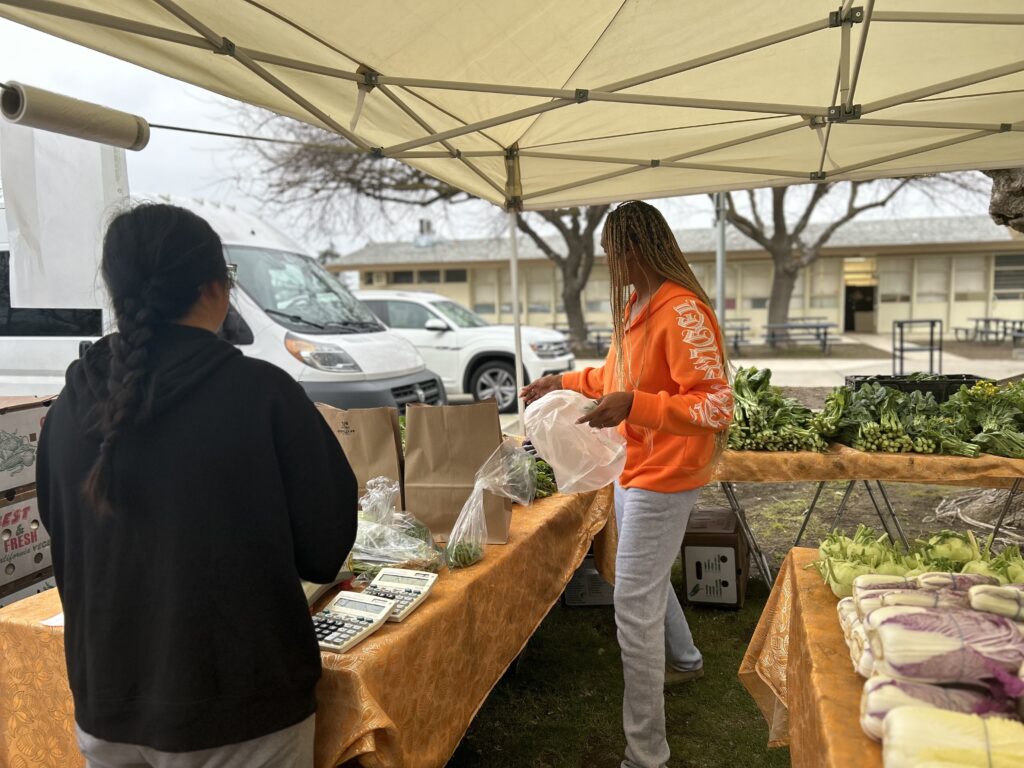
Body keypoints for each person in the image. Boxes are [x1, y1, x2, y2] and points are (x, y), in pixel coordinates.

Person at [37, 203, 358, 768]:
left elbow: (63, 534)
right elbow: (326, 547)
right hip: (239, 708)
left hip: (107, 707)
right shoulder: (263, 395)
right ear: (215, 286)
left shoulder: (69, 407)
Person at [521, 200, 733, 768]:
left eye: (611, 251)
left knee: (632, 604)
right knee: (641, 578)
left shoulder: (682, 310)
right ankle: (685, 660)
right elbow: (615, 379)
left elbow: (716, 403)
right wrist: (559, 381)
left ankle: (645, 755)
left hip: (666, 476)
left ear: (633, 249)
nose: (607, 262)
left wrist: (636, 406)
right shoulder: (638, 307)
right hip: (634, 467)